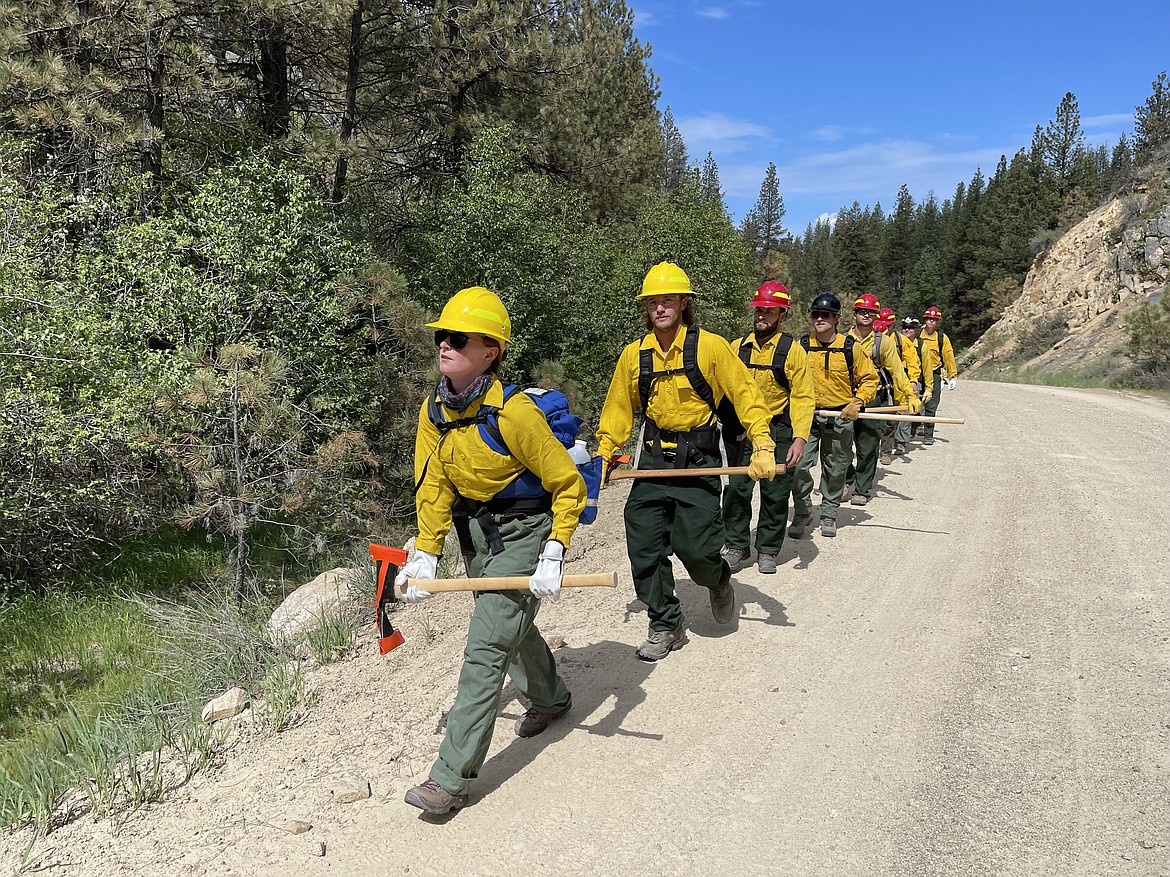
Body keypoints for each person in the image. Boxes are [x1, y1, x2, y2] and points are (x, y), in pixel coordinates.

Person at [396, 286, 587, 815]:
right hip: (479, 538)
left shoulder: (515, 413)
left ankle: (449, 780)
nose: (445, 343)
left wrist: (555, 548)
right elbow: (432, 485)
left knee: (485, 646)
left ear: (491, 351)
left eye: (459, 337)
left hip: (526, 534)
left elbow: (567, 483)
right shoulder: (433, 410)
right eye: (442, 335)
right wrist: (426, 553)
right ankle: (551, 699)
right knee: (510, 625)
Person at [595, 262, 776, 661]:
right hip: (654, 459)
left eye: (667, 300)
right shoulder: (634, 355)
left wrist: (762, 442)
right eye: (652, 302)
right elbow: (618, 409)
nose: (659, 308)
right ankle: (665, 623)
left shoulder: (711, 347)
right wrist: (606, 452)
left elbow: (745, 394)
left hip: (700, 460)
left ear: (684, 303)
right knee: (644, 544)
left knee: (697, 551)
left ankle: (719, 579)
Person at [721, 281, 815, 575]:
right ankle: (737, 545)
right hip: (743, 429)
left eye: (769, 311)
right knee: (736, 489)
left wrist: (799, 439)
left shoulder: (793, 351)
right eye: (759, 310)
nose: (762, 315)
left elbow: (802, 397)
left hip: (779, 428)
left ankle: (768, 550)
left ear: (782, 314)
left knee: (775, 492)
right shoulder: (737, 348)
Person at [788, 292, 879, 539]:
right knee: (799, 466)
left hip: (840, 416)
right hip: (806, 416)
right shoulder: (801, 347)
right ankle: (803, 513)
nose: (820, 319)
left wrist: (858, 401)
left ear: (836, 318)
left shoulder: (851, 347)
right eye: (815, 314)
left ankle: (828, 513)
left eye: (825, 314)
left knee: (836, 467)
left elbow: (870, 379)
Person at [844, 295, 920, 505]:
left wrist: (910, 394)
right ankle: (848, 479)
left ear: (876, 316)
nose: (866, 315)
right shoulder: (843, 340)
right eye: (862, 311)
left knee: (868, 446)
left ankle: (862, 489)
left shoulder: (883, 342)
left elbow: (897, 371)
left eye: (870, 312)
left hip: (874, 399)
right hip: (846, 398)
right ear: (855, 314)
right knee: (840, 446)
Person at [891, 315, 932, 456]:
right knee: (893, 411)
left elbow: (927, 369)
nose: (907, 330)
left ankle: (901, 442)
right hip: (895, 381)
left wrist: (928, 388)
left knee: (906, 412)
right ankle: (890, 440)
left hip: (912, 381)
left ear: (917, 330)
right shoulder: (893, 341)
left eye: (911, 328)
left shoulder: (922, 346)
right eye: (905, 327)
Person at [917, 306, 958, 446]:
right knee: (913, 403)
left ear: (938, 321)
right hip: (917, 373)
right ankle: (912, 429)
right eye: (929, 318)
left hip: (934, 373)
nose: (931, 321)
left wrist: (952, 375)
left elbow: (948, 356)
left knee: (931, 406)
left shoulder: (941, 338)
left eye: (934, 319)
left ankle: (928, 435)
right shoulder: (917, 334)